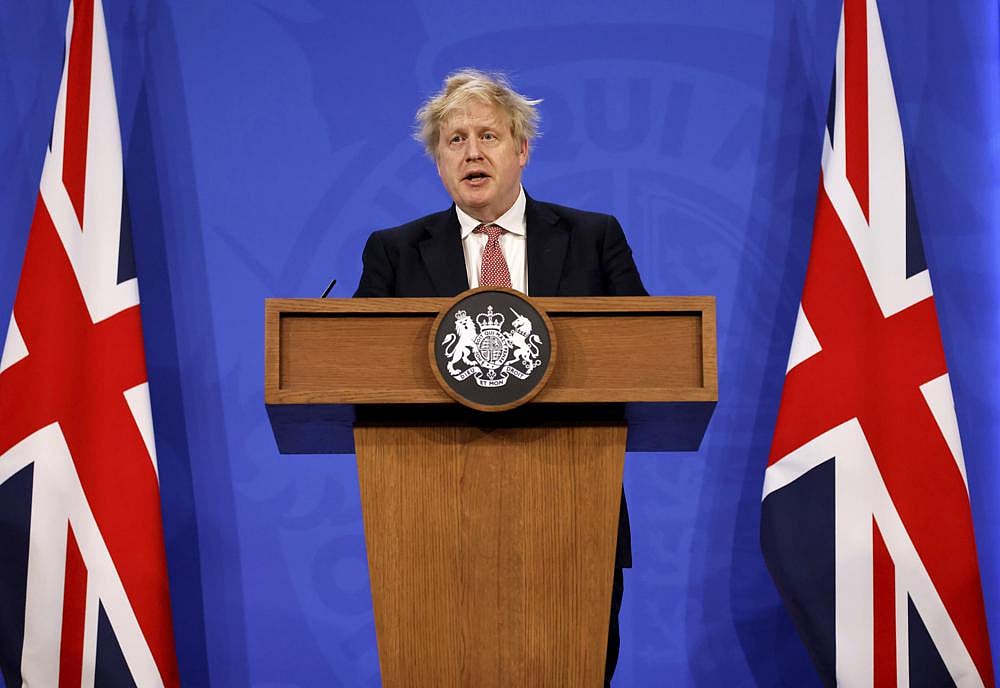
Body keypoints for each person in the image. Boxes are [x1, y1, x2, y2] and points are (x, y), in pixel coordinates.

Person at [354, 68, 647, 686]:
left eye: (488, 135)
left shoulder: (594, 238)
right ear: (437, 161)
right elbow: (358, 368)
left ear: (522, 150)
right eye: (454, 140)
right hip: (431, 515)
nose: (472, 152)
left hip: (573, 506)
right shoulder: (394, 251)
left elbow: (646, 351)